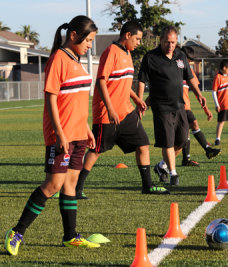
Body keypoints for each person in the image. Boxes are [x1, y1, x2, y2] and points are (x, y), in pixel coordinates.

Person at [4, 15, 100, 256]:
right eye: (88, 40)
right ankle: (16, 232)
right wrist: (59, 133)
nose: (90, 45)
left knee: (70, 184)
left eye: (92, 41)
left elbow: (76, 101)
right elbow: (51, 98)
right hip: (63, 136)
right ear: (73, 36)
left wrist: (86, 128)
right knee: (53, 184)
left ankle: (70, 236)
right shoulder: (59, 58)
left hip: (78, 134)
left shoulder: (77, 60)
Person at [75, 21, 169, 198]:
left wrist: (137, 99)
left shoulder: (127, 53)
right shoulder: (111, 51)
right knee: (96, 150)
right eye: (137, 39)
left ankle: (147, 186)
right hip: (107, 114)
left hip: (126, 112)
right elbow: (101, 81)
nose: (139, 43)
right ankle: (76, 188)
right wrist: (110, 109)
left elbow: (123, 84)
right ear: (127, 35)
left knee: (143, 144)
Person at [137, 25, 206, 185]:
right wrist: (140, 101)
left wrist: (199, 95)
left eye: (173, 42)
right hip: (161, 107)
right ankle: (173, 173)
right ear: (161, 40)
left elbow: (190, 78)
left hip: (179, 106)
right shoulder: (150, 57)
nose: (170, 46)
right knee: (168, 141)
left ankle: (162, 166)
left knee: (182, 139)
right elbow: (141, 80)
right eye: (167, 42)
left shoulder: (181, 56)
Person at [179, 46, 220, 167]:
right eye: (189, 59)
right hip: (177, 107)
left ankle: (187, 159)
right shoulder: (173, 69)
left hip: (185, 106)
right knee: (191, 127)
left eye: (191, 60)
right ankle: (207, 150)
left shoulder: (189, 72)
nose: (190, 62)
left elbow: (198, 94)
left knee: (188, 130)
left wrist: (206, 110)